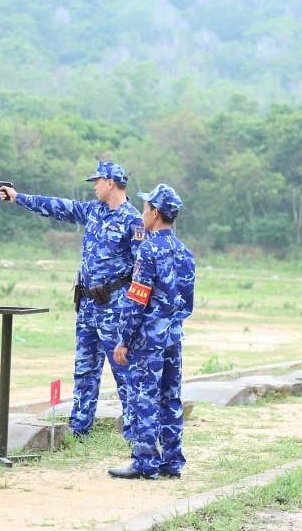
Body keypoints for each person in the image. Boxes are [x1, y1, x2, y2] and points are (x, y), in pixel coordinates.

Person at [0, 161, 144, 440]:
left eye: (97, 181)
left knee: (123, 370)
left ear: (110, 182)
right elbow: (58, 206)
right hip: (88, 305)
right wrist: (18, 198)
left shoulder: (134, 221)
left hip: (116, 307)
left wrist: (135, 312)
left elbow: (142, 270)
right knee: (85, 369)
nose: (94, 186)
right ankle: (80, 429)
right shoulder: (93, 211)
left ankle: (136, 432)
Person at [109, 184, 195, 480]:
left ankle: (145, 463)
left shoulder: (148, 249)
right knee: (171, 397)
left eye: (145, 208)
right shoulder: (184, 252)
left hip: (147, 339)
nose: (142, 212)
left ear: (155, 213)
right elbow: (187, 301)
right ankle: (172, 462)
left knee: (144, 397)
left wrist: (123, 340)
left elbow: (136, 301)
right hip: (173, 337)